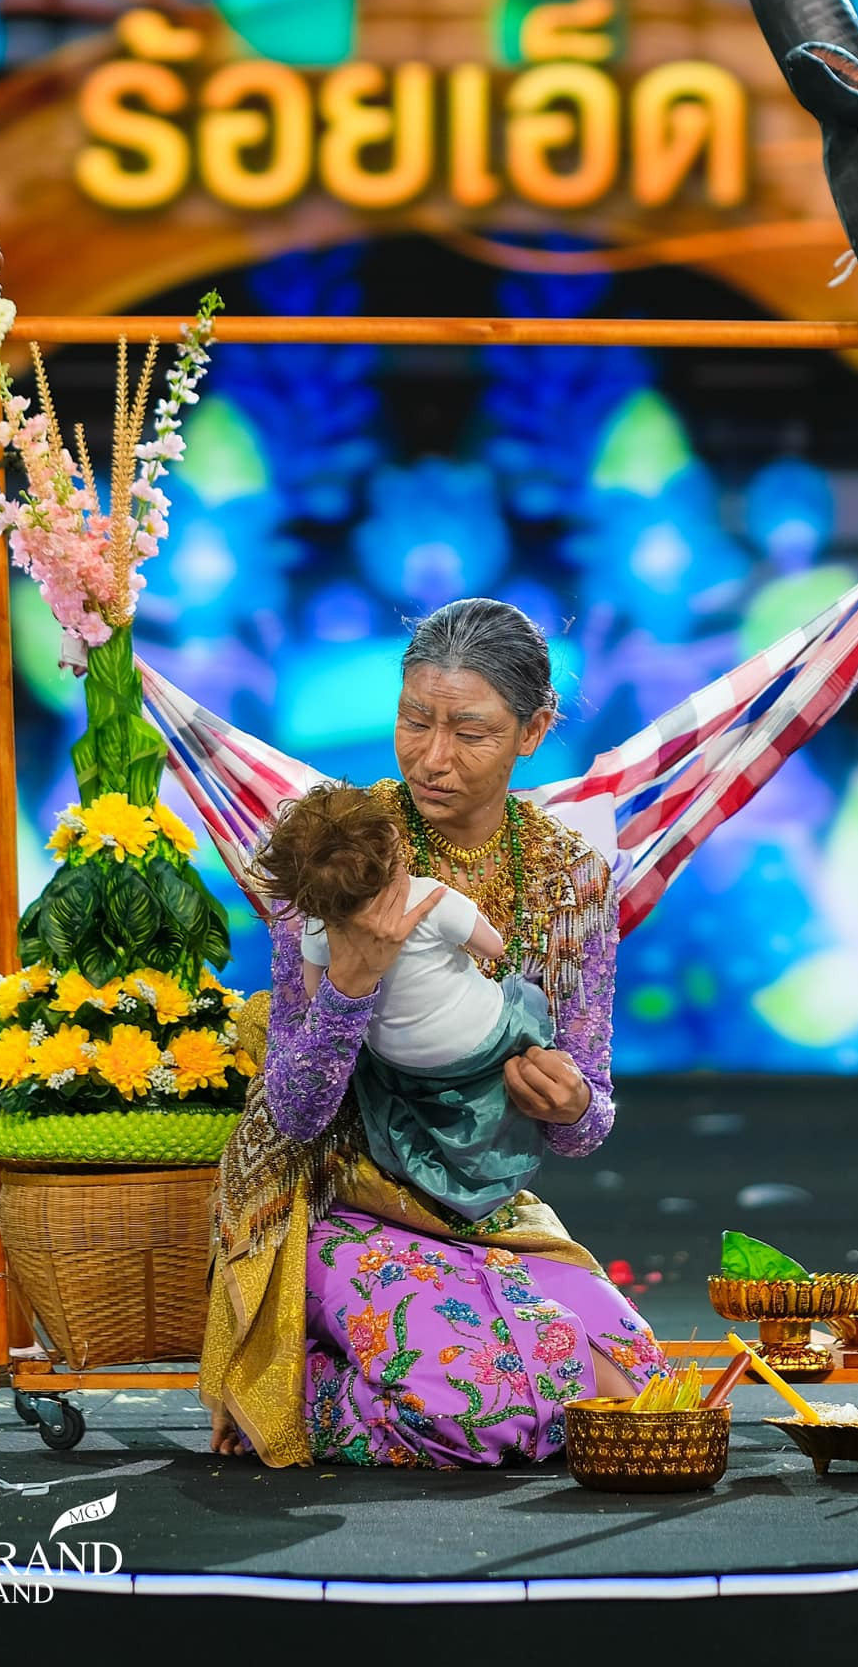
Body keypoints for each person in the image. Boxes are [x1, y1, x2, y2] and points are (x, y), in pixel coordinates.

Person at [201, 597, 669, 1469]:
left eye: (470, 732)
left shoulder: (573, 880)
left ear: (533, 733)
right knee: (480, 1415)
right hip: (334, 1195)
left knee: (634, 1393)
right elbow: (296, 1114)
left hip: (480, 1202)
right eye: (415, 721)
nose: (434, 757)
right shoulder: (335, 849)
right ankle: (293, 1386)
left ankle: (413, 1350)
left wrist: (568, 1105)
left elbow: (589, 1118)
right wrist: (352, 979)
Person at [259, 779, 559, 1221]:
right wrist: (357, 980)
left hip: (398, 1068)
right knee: (523, 994)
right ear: (394, 848)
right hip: (475, 1054)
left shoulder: (314, 927)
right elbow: (295, 1119)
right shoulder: (432, 897)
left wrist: (576, 1109)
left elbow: (310, 992)